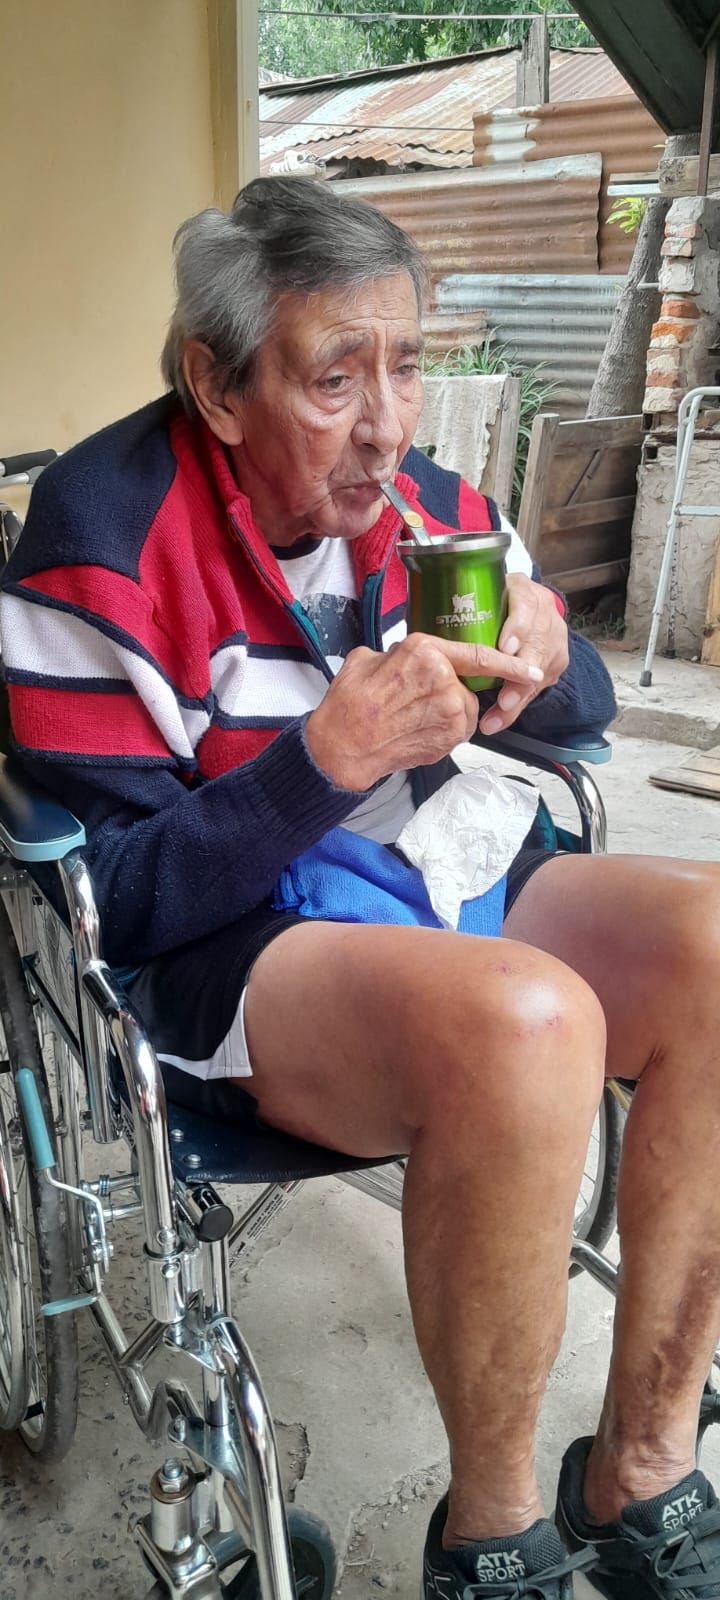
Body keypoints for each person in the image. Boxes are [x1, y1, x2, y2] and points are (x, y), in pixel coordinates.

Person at [3, 177, 720, 1600]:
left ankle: (640, 1467)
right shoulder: (100, 537)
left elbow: (575, 712)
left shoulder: (427, 509)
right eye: (336, 378)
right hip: (233, 937)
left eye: (406, 366)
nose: (389, 423)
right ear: (217, 385)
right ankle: (492, 1539)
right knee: (526, 1025)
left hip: (435, 872)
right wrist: (321, 762)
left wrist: (549, 649)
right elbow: (117, 903)